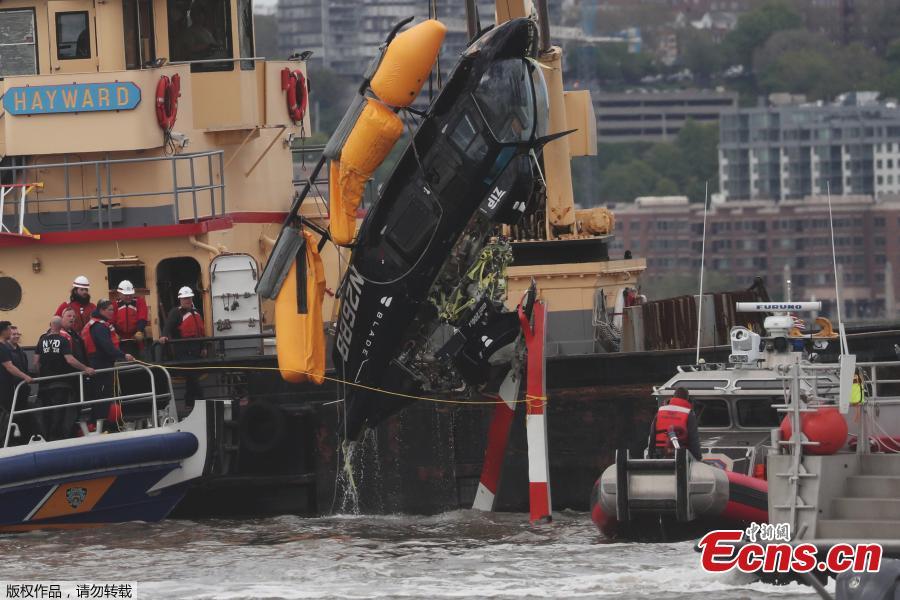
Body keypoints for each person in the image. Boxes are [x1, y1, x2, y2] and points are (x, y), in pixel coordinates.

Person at [35, 317, 95, 440]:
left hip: (45, 384)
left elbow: (36, 362)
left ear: (50, 325)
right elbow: (70, 359)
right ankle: (57, 438)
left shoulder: (41, 341)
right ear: (61, 326)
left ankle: (47, 438)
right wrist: (85, 368)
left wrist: (42, 376)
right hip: (61, 382)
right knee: (60, 412)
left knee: (47, 412)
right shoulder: (63, 340)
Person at [82, 300, 134, 423]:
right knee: (102, 396)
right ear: (101, 310)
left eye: (113, 309)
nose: (112, 312)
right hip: (101, 364)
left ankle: (98, 423)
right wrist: (123, 355)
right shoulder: (99, 326)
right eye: (109, 310)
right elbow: (106, 346)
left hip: (97, 363)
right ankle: (100, 424)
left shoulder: (95, 324)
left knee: (100, 396)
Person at [159, 286, 206, 405]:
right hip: (183, 350)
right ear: (180, 299)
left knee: (192, 377)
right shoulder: (176, 312)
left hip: (196, 350)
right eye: (185, 298)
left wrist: (203, 347)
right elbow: (168, 325)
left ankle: (189, 402)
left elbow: (201, 331)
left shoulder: (196, 312)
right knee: (192, 375)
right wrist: (163, 336)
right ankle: (201, 399)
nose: (187, 300)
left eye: (189, 298)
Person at [0, 321, 34, 440]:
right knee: (7, 415)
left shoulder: (10, 349)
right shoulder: (2, 348)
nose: (11, 332)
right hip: (4, 389)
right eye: (10, 329)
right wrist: (25, 377)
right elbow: (9, 367)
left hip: (8, 387)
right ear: (4, 331)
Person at [648, 387, 702, 461]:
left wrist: (650, 455)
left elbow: (652, 435)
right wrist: (698, 457)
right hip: (680, 453)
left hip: (659, 452)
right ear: (687, 399)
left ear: (673, 397)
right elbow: (693, 439)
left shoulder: (660, 411)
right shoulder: (689, 413)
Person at [113, 280, 149, 357]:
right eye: (126, 295)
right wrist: (113, 333)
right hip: (119, 339)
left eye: (130, 294)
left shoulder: (139, 302)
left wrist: (139, 331)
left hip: (136, 338)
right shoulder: (114, 304)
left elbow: (142, 318)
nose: (128, 297)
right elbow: (110, 321)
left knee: (139, 359)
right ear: (119, 293)